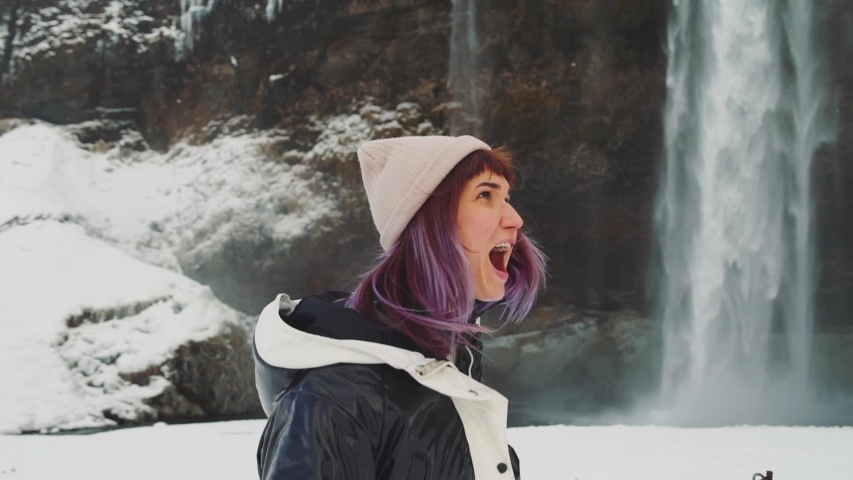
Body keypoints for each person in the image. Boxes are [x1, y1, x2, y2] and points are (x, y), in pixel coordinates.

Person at [253, 135, 547, 479]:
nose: (515, 219)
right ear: (428, 223)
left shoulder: (454, 365)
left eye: (507, 198)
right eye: (485, 195)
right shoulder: (335, 396)